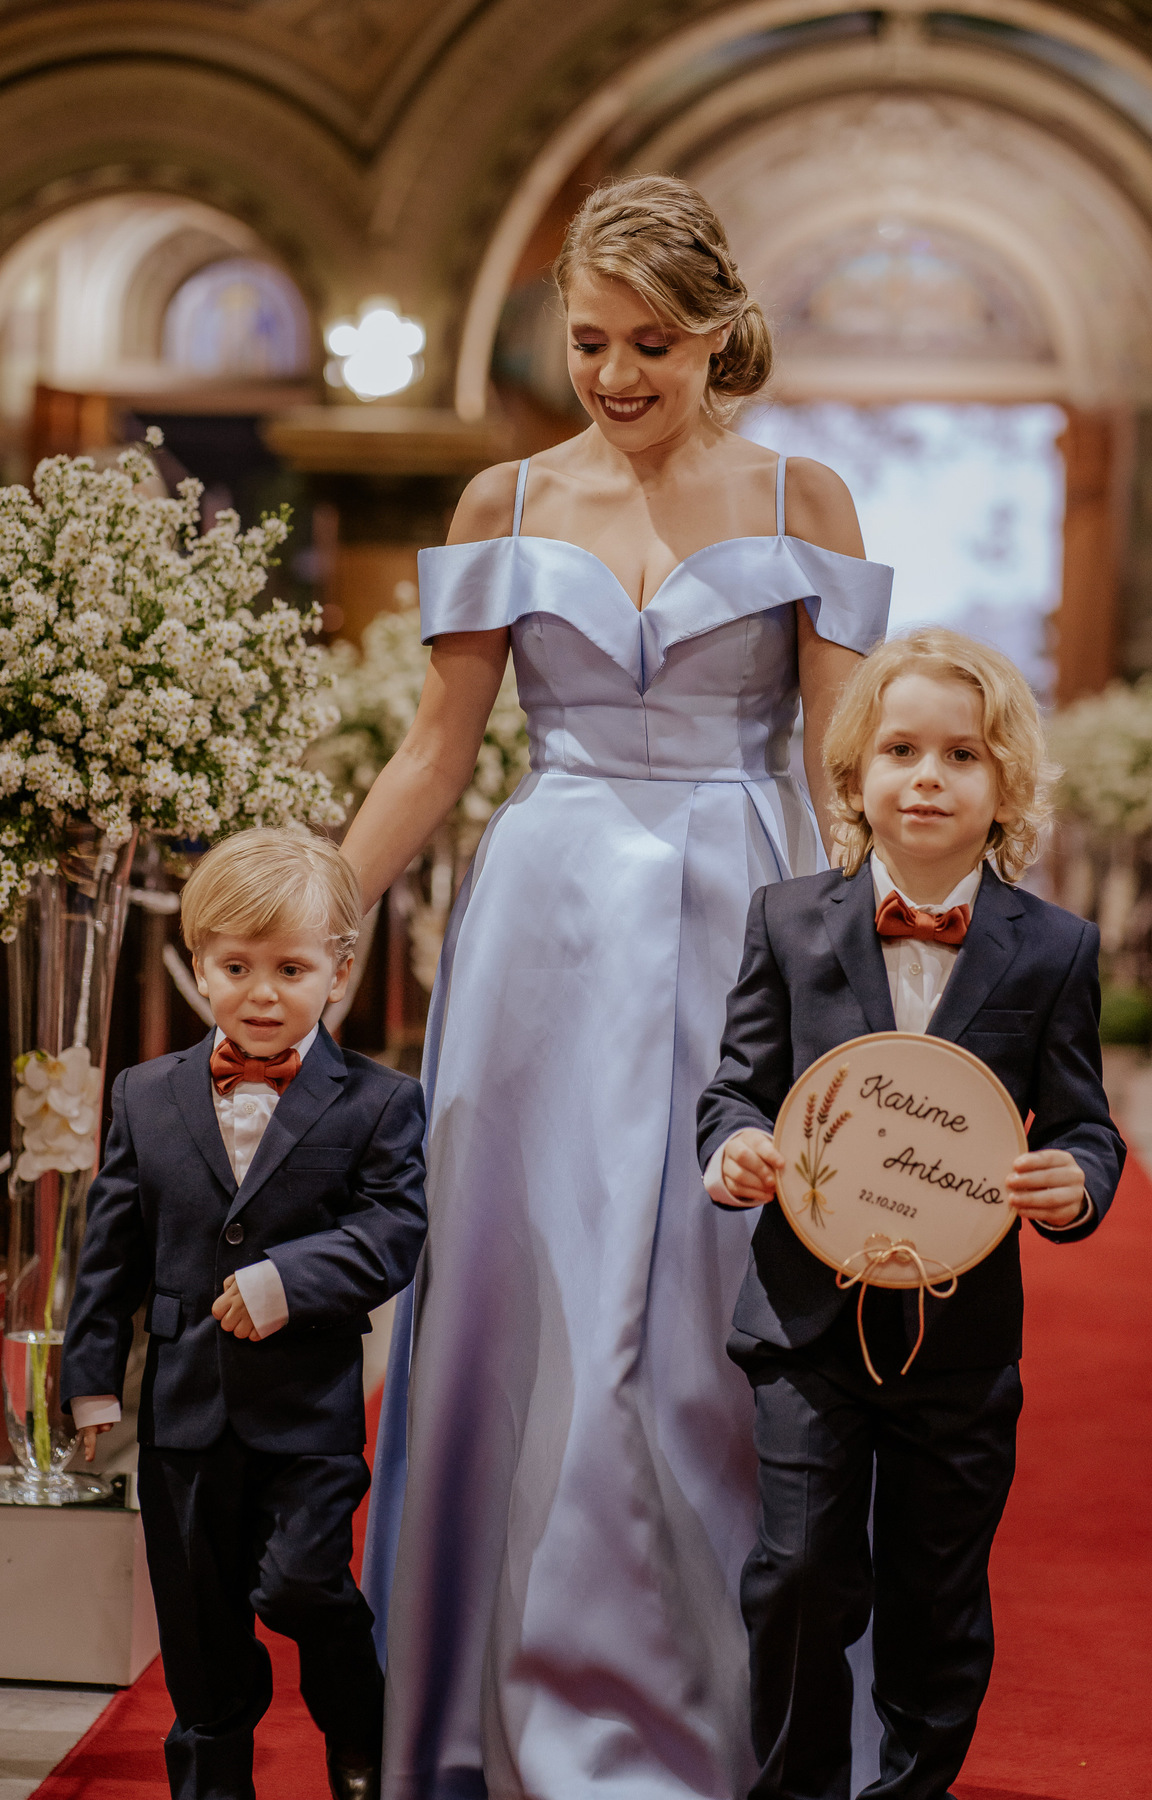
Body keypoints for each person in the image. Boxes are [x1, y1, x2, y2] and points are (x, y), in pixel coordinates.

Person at [344, 174, 892, 1799]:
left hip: (745, 907)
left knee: (716, 1309)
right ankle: (498, 1705)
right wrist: (323, 905)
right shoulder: (501, 504)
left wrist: (910, 961)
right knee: (536, 1292)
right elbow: (438, 754)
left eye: (652, 342)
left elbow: (846, 764)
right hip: (547, 924)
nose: (617, 373)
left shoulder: (810, 494)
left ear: (721, 333)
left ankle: (721, 1724)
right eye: (591, 341)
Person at [697, 627, 1126, 1800]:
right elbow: (738, 1084)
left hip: (962, 1339)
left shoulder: (1053, 950)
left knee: (937, 1594)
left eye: (962, 755)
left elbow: (1086, 1126)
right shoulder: (788, 922)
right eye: (900, 749)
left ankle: (913, 1787)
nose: (927, 776)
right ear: (854, 777)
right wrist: (733, 1144)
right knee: (795, 1575)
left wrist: (1078, 1180)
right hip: (806, 1326)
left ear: (1008, 789)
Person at [61, 827, 427, 1800]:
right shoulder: (144, 1094)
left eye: (292, 968)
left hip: (305, 1413)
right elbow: (110, 1255)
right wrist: (93, 1382)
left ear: (340, 972)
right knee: (200, 1628)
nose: (263, 992)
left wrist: (288, 1281)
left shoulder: (380, 1104)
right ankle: (211, 1782)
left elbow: (395, 1229)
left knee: (301, 1584)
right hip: (183, 1417)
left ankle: (357, 1732)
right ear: (197, 967)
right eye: (237, 966)